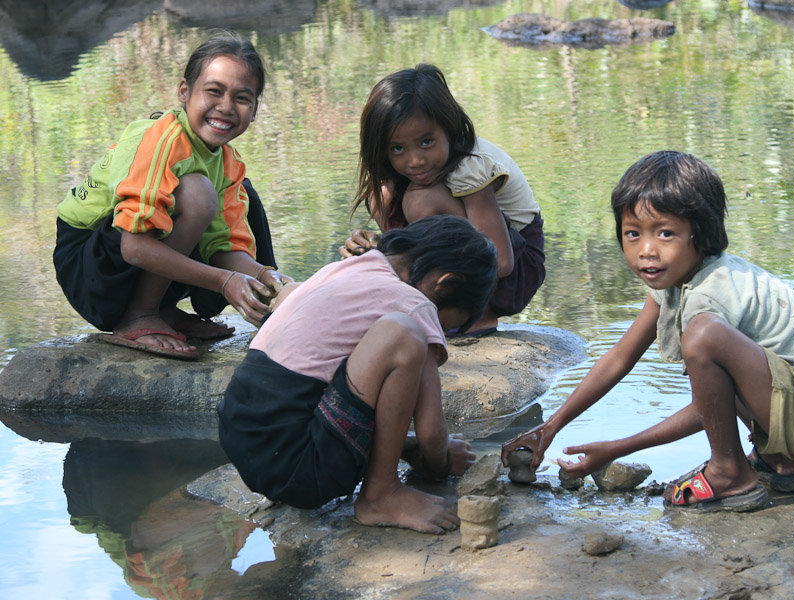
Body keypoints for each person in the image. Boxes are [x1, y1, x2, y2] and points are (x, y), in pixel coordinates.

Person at [501, 151, 794, 512]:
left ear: (700, 235)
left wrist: (617, 447)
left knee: (702, 336)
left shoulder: (711, 294)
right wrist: (551, 426)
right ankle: (780, 464)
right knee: (711, 348)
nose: (647, 251)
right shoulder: (672, 281)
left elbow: (706, 409)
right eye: (633, 234)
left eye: (666, 233)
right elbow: (620, 358)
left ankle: (729, 472)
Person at [218, 215, 497, 533]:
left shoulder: (349, 269)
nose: (440, 331)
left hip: (245, 440)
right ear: (445, 284)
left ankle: (387, 464)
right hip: (300, 467)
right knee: (403, 333)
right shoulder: (415, 304)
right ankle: (381, 495)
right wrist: (441, 463)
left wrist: (412, 449)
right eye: (448, 326)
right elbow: (433, 433)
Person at [54, 32, 292, 361]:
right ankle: (139, 314)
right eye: (214, 91)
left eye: (241, 98)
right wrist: (224, 282)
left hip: (124, 263)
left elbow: (223, 248)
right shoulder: (162, 140)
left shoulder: (228, 163)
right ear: (184, 91)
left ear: (254, 110)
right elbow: (133, 246)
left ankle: (162, 309)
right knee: (197, 193)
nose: (225, 106)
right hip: (90, 266)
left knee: (243, 194)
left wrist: (268, 278)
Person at [340, 63, 545, 336]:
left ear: (449, 128)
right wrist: (379, 252)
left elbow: (502, 261)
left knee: (421, 201)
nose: (415, 160)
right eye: (398, 148)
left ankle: (476, 316)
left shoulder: (472, 165)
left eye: (427, 142)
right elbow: (409, 245)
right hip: (463, 265)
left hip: (513, 270)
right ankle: (428, 303)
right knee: (382, 196)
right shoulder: (397, 178)